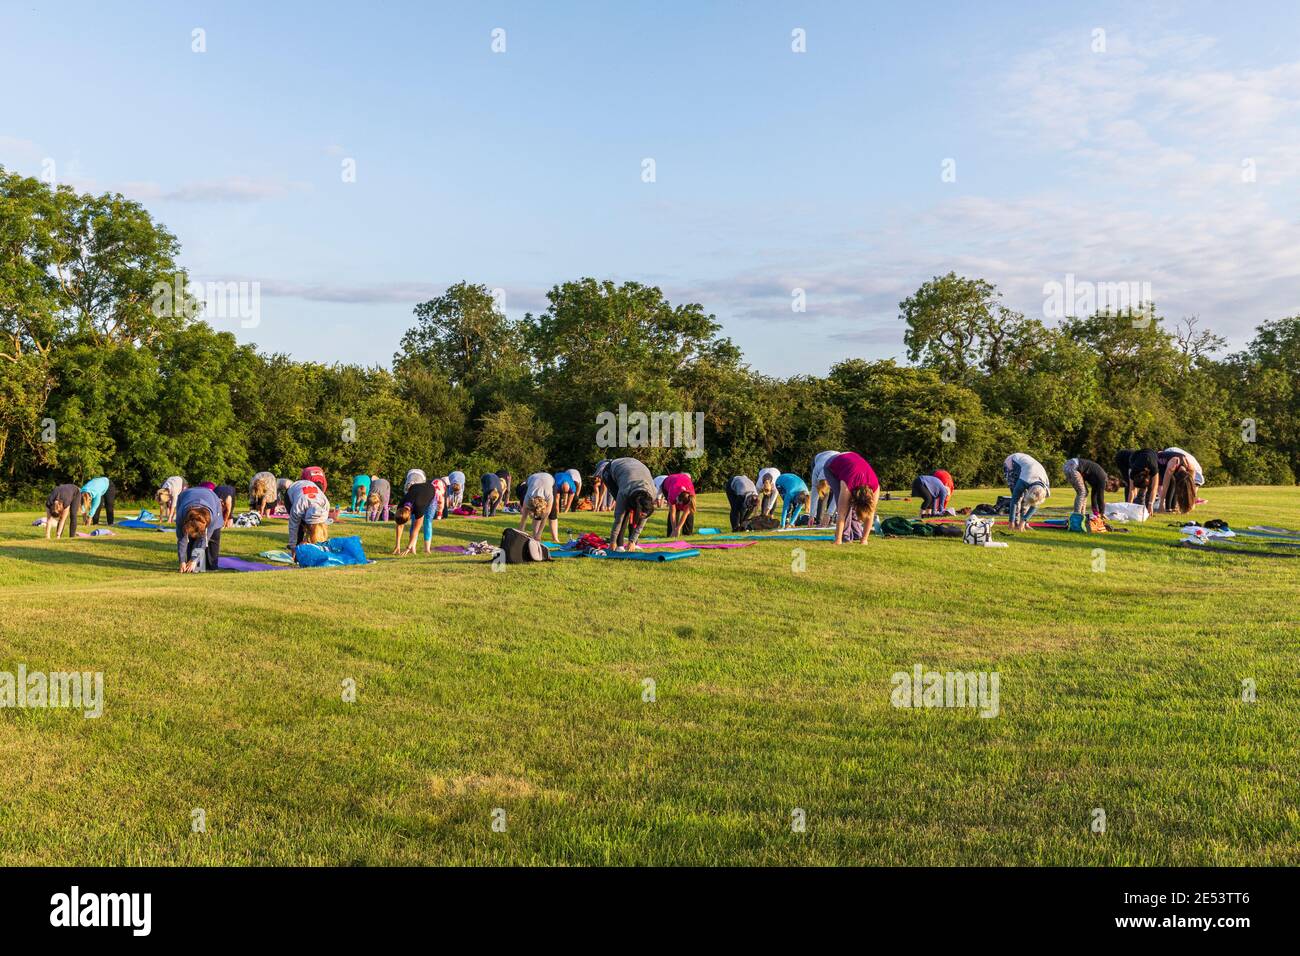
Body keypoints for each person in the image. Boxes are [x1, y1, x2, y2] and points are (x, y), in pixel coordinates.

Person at [825, 452, 881, 545]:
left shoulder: (875, 487)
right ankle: (844, 537)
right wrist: (838, 540)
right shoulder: (848, 485)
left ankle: (856, 534)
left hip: (852, 460)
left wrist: (864, 540)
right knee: (844, 507)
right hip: (832, 464)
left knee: (851, 509)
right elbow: (841, 514)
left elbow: (870, 514)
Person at [606, 457, 657, 550]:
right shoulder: (624, 491)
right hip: (613, 469)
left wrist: (633, 540)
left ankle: (632, 542)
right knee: (623, 514)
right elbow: (618, 518)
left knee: (638, 515)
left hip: (634, 466)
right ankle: (619, 544)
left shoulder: (652, 494)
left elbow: (642, 522)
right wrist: (612, 542)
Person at [175, 485, 225, 572]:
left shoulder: (212, 518)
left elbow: (204, 539)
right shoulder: (181, 516)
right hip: (185, 496)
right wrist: (182, 561)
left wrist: (194, 559)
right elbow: (181, 539)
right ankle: (191, 565)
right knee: (191, 542)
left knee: (213, 538)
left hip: (212, 498)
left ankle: (211, 566)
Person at [286, 478, 331, 561]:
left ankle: (312, 546)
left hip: (308, 489)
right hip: (292, 491)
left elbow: (320, 528)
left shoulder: (325, 505)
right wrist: (293, 547)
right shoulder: (298, 507)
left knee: (314, 535)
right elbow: (293, 527)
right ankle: (298, 553)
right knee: (299, 529)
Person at [392, 481, 442, 555]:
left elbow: (416, 530)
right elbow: (399, 525)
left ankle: (427, 549)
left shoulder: (419, 507)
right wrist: (397, 545)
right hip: (417, 489)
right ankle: (413, 550)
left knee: (427, 521)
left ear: (408, 517)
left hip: (431, 492)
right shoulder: (400, 506)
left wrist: (407, 548)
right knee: (413, 524)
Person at [1004, 452, 1050, 530]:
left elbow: (1036, 504)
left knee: (1030, 502)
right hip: (1012, 462)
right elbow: (1014, 500)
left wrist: (1024, 520)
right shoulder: (1024, 481)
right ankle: (1015, 523)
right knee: (1019, 498)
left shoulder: (1045, 489)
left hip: (1030, 469)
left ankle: (1023, 523)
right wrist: (1011, 521)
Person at [517, 472, 561, 543]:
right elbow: (523, 519)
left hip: (549, 479)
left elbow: (545, 517)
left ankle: (555, 539)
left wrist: (539, 533)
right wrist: (520, 534)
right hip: (533, 479)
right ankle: (535, 536)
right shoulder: (528, 497)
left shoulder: (549, 496)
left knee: (552, 513)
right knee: (537, 516)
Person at [1118, 448, 1160, 512]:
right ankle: (1138, 502)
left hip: (1151, 453)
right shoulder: (1133, 471)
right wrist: (1128, 507)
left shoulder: (1153, 467)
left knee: (1151, 487)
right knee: (1130, 485)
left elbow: (1155, 488)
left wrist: (1150, 504)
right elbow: (1131, 490)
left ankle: (1145, 504)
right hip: (1134, 456)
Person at [809, 450, 842, 527]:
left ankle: (830, 519)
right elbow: (814, 495)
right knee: (822, 497)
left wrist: (829, 514)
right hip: (818, 459)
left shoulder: (837, 473)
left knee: (834, 493)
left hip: (836, 460)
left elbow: (838, 495)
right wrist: (811, 515)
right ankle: (819, 520)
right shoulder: (816, 473)